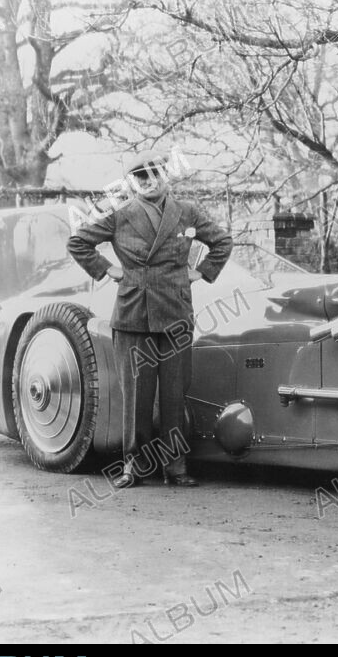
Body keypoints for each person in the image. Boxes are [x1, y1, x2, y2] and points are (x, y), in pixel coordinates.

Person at [67, 150, 233, 488]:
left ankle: (176, 467)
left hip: (174, 312)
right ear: (132, 182)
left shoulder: (187, 212)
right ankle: (134, 466)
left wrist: (200, 273)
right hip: (133, 315)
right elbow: (78, 242)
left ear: (166, 176)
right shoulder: (120, 214)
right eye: (140, 176)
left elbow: (222, 242)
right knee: (136, 396)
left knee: (175, 393)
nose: (148, 181)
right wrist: (109, 270)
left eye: (154, 174)